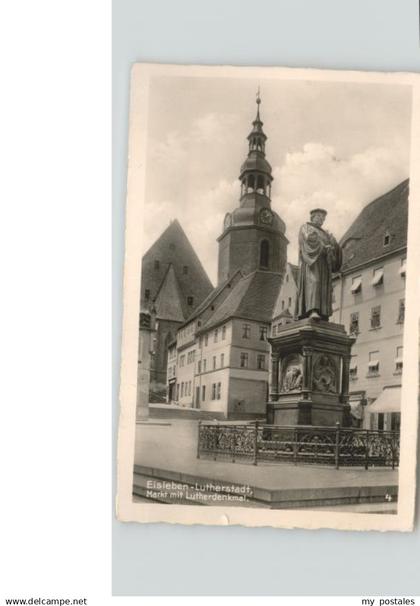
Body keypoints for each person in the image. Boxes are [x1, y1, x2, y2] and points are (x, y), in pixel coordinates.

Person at [295, 208, 342, 321]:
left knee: (324, 286)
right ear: (313, 217)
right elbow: (308, 240)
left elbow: (335, 249)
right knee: (314, 282)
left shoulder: (325, 233)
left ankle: (323, 312)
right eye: (319, 217)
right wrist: (323, 246)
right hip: (312, 263)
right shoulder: (306, 227)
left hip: (324, 264)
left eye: (323, 218)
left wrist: (333, 244)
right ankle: (313, 310)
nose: (322, 220)